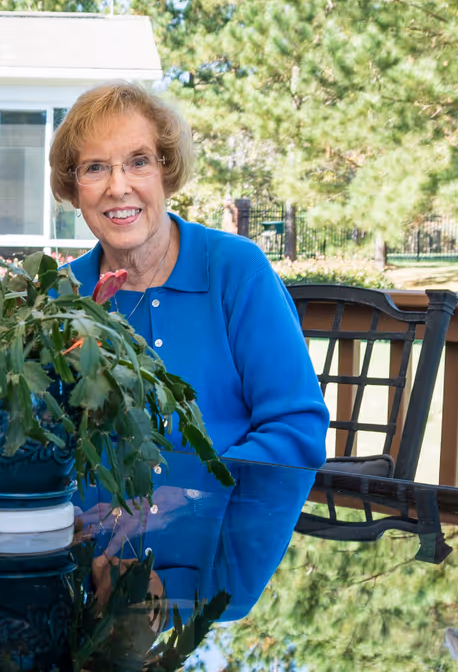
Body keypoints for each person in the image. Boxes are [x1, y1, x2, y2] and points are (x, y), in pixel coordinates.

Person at [57, 81, 328, 471]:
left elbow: (295, 430)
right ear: (74, 186)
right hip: (82, 529)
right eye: (95, 167)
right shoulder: (59, 296)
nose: (118, 187)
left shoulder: (235, 270)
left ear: (166, 170)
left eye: (139, 162)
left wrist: (193, 497)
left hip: (220, 525)